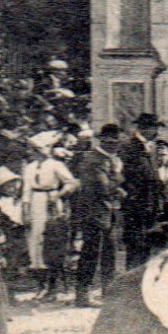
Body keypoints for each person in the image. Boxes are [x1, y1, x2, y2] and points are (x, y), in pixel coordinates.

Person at [21, 131, 80, 295]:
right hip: (35, 204)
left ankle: (53, 286)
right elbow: (26, 190)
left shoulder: (56, 165)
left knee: (52, 242)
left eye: (35, 149)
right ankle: (41, 285)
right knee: (35, 242)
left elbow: (72, 183)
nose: (32, 152)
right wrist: (25, 211)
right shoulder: (29, 167)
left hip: (51, 203)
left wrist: (59, 194)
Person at [73, 124, 124, 307]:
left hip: (106, 213)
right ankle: (82, 295)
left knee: (109, 254)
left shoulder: (110, 159)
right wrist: (117, 180)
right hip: (93, 213)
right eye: (109, 141)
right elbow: (102, 188)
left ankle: (108, 293)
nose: (113, 145)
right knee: (91, 254)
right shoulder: (93, 159)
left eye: (116, 141)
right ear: (101, 140)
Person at [118, 114, 166, 267]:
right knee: (135, 247)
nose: (157, 131)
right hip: (136, 207)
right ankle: (131, 285)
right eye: (155, 128)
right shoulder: (129, 147)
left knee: (147, 246)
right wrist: (133, 200)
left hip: (150, 206)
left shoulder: (151, 147)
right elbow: (126, 176)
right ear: (144, 129)